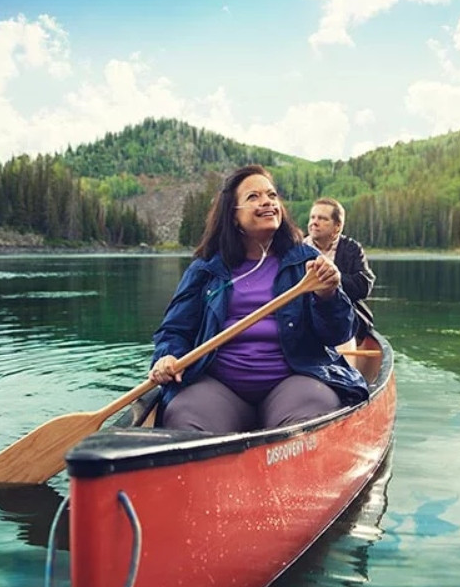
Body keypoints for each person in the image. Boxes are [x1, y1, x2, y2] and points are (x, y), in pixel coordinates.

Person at [149, 165, 369, 433]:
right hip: (220, 386)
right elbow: (174, 330)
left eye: (272, 195)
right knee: (183, 415)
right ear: (233, 216)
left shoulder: (307, 262)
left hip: (292, 380)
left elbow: (338, 333)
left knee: (312, 416)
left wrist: (328, 295)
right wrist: (167, 356)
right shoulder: (205, 269)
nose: (267, 201)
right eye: (253, 197)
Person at [305, 198, 375, 342]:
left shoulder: (351, 249)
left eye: (322, 218)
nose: (314, 222)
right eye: (312, 217)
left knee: (343, 332)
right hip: (306, 319)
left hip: (343, 318)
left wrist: (331, 279)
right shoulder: (297, 249)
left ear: (337, 226)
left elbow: (364, 285)